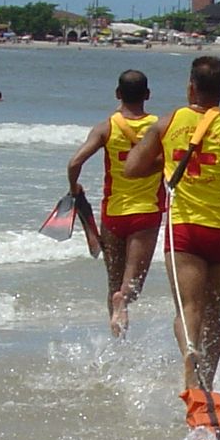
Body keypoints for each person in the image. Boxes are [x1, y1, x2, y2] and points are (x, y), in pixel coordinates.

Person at [123, 55, 220, 394]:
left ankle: (189, 360)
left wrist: (167, 161)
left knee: (188, 307)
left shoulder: (168, 122)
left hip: (183, 228)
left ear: (191, 87)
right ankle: (206, 383)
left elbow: (131, 168)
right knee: (213, 308)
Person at [66, 69, 166, 336]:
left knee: (113, 283)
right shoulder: (160, 127)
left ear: (117, 94)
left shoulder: (106, 127)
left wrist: (74, 189)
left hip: (113, 213)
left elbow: (74, 162)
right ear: (147, 95)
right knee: (130, 285)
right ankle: (124, 304)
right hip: (146, 213)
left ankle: (117, 344)